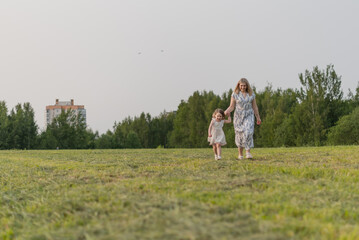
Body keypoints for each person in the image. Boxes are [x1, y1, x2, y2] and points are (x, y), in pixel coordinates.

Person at [224, 78, 261, 159]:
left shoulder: (251, 94)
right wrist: (226, 111)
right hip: (238, 116)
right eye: (241, 86)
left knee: (248, 131)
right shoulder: (235, 94)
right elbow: (232, 106)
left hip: (249, 115)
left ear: (247, 86)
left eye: (244, 86)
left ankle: (248, 152)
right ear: (239, 86)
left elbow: (255, 107)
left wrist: (258, 117)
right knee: (239, 134)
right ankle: (240, 154)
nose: (243, 87)